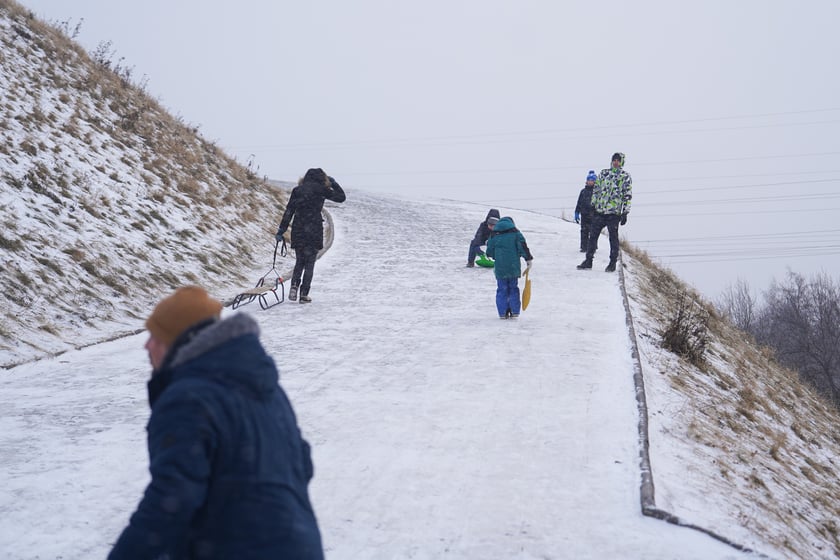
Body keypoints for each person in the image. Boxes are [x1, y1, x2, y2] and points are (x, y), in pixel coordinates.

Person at [109, 286, 324, 559]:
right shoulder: (263, 386)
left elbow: (171, 500)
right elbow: (301, 461)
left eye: (156, 336)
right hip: (300, 545)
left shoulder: (189, 399)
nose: (147, 345)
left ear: (179, 343)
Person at [275, 168, 346, 303]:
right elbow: (341, 198)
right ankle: (303, 294)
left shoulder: (298, 190)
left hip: (299, 228)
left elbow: (289, 211)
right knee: (309, 264)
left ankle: (294, 286)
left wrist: (281, 230)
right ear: (322, 178)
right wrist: (334, 184)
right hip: (314, 229)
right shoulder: (322, 190)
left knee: (299, 261)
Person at [577, 152, 632, 272]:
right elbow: (596, 190)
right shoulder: (604, 173)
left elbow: (627, 195)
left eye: (618, 160)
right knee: (593, 236)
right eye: (614, 160)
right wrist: (593, 205)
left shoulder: (625, 177)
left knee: (613, 238)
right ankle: (588, 260)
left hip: (614, 213)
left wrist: (625, 212)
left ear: (621, 162)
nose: (615, 162)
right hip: (600, 211)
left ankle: (612, 263)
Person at [486, 216, 533, 319]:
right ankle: (514, 311)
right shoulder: (516, 233)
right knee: (513, 288)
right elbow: (523, 247)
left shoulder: (494, 234)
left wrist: (496, 256)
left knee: (502, 289)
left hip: (500, 267)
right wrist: (528, 259)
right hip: (513, 266)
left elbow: (489, 252)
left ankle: (502, 313)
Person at [574, 170, 597, 252]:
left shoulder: (597, 192)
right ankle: (584, 247)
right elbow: (579, 202)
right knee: (584, 231)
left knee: (593, 232)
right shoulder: (583, 192)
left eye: (592, 181)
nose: (590, 182)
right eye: (589, 180)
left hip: (594, 215)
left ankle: (593, 247)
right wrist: (577, 212)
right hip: (584, 214)